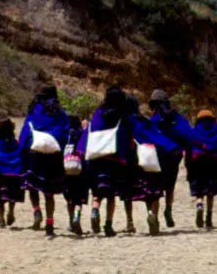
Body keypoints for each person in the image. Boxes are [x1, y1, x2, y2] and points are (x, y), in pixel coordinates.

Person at [78, 86, 133, 237]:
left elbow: (90, 131)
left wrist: (81, 150)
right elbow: (127, 137)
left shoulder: (98, 113)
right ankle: (108, 225)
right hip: (114, 159)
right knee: (111, 194)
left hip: (96, 158)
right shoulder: (123, 116)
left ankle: (95, 208)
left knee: (97, 190)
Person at [124, 95, 181, 235]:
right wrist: (172, 148)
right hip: (149, 159)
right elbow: (157, 138)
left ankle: (129, 222)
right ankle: (151, 213)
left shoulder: (125, 122)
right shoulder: (145, 121)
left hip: (131, 162)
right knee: (152, 191)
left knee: (128, 193)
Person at [18, 85, 70, 236]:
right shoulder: (59, 112)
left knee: (32, 186)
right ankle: (50, 222)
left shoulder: (35, 109)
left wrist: (22, 149)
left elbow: (26, 131)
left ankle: (36, 211)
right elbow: (64, 132)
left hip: (34, 152)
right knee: (49, 192)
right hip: (52, 154)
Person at [149, 89, 199, 228]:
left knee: (156, 187)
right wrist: (188, 158)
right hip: (173, 159)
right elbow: (189, 137)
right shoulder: (177, 118)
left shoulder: (153, 120)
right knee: (169, 187)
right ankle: (168, 210)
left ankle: (154, 215)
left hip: (156, 159)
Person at [186, 110, 217, 230]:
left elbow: (188, 150)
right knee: (211, 191)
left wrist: (187, 166)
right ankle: (209, 217)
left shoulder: (193, 132)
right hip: (214, 165)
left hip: (197, 164)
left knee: (199, 189)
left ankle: (199, 204)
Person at [63, 114, 89, 236]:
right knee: (79, 198)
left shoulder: (65, 134)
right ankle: (77, 217)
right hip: (81, 168)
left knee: (69, 198)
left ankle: (70, 220)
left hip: (66, 169)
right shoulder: (82, 133)